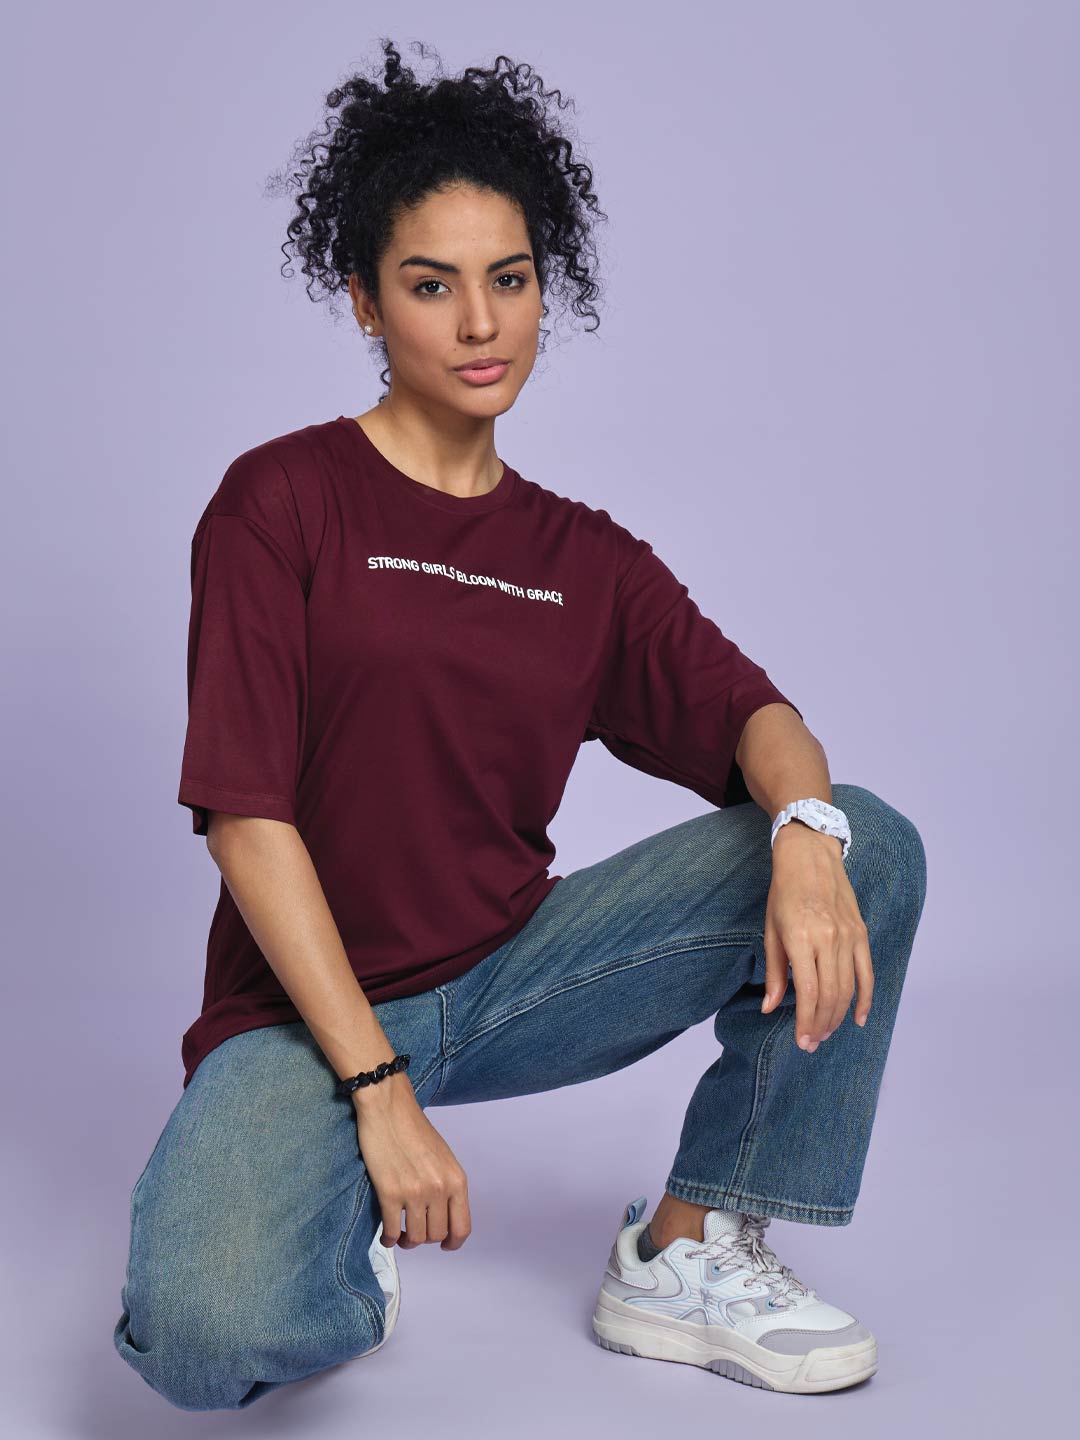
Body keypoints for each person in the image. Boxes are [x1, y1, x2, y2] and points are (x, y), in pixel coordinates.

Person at [112, 38, 927, 1411]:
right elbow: (248, 824)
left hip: (515, 981)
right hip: (304, 1018)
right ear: (364, 300)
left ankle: (690, 1244)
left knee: (866, 845)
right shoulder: (280, 503)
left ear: (550, 293)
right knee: (201, 1340)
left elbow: (758, 716)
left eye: (512, 280)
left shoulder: (580, 558)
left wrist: (801, 828)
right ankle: (345, 1253)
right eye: (432, 286)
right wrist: (377, 1096)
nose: (481, 324)